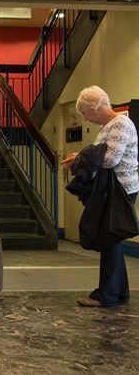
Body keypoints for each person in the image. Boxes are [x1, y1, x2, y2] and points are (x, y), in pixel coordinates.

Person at [63, 85, 139, 307]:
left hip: (120, 189)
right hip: (112, 189)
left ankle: (106, 296)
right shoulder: (108, 127)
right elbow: (98, 154)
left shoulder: (121, 124)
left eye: (86, 113)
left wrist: (82, 158)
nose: (86, 119)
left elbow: (109, 160)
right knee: (111, 239)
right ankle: (119, 293)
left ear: (95, 107)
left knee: (109, 239)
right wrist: (79, 157)